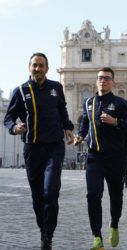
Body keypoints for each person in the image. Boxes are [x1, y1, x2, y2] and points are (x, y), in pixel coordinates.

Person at [3, 52, 75, 250]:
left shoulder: (56, 88)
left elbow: (62, 110)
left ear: (47, 68)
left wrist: (68, 127)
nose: (38, 69)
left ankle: (48, 235)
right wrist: (14, 127)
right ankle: (43, 230)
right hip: (32, 149)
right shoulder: (20, 90)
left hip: (54, 147)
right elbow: (8, 118)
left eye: (41, 65)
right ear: (29, 67)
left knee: (50, 191)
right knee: (37, 196)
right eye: (34, 65)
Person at [74, 67, 127, 250]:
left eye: (107, 78)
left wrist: (115, 122)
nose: (103, 81)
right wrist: (80, 135)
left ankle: (114, 225)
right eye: (100, 78)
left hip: (116, 157)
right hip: (94, 156)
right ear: (96, 81)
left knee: (115, 196)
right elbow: (85, 122)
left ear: (113, 82)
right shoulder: (89, 102)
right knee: (93, 195)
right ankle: (97, 237)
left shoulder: (120, 103)